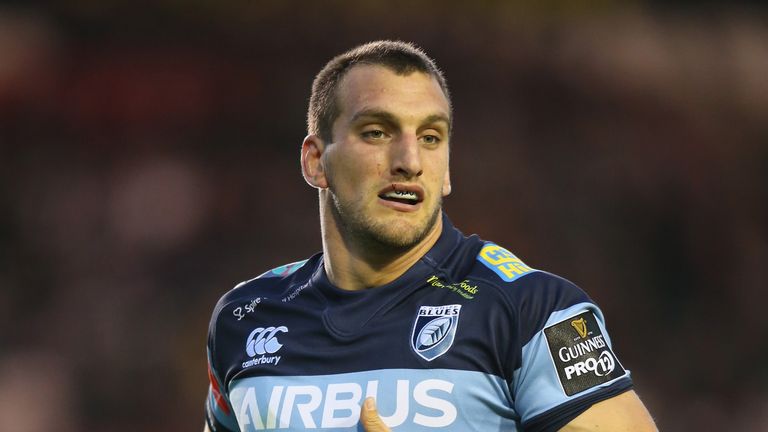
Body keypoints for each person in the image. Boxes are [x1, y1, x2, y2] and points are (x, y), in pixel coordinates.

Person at [203, 40, 657, 432]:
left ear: (446, 171)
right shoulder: (242, 321)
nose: (409, 160)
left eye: (431, 137)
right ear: (315, 161)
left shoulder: (533, 312)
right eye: (377, 132)